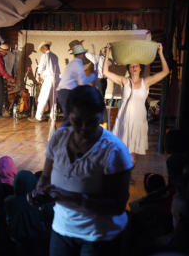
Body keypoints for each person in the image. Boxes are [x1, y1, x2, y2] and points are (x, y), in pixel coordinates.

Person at [36, 85, 133, 256]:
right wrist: (38, 192)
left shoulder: (113, 150)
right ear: (68, 116)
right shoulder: (59, 138)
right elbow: (45, 176)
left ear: (100, 115)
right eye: (77, 121)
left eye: (91, 122)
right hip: (61, 230)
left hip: (99, 237)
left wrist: (68, 198)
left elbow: (117, 206)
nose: (83, 128)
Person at [103, 43, 170, 165]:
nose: (134, 68)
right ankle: (121, 170)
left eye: (136, 66)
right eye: (132, 66)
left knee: (133, 153)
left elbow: (165, 71)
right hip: (124, 118)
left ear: (140, 68)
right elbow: (105, 72)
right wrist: (108, 53)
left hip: (138, 119)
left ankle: (129, 171)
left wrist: (160, 53)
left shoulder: (146, 82)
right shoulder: (124, 81)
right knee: (122, 149)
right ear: (128, 69)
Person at [56, 43, 96, 124]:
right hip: (66, 93)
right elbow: (82, 81)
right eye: (83, 54)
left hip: (64, 92)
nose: (84, 56)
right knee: (71, 118)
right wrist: (93, 75)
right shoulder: (77, 63)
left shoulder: (73, 63)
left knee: (71, 117)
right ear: (80, 54)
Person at [33, 41, 60, 122]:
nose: (41, 50)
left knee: (43, 97)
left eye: (41, 49)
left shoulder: (45, 55)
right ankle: (53, 117)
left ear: (44, 48)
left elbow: (41, 67)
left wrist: (39, 74)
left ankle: (38, 117)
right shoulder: (55, 56)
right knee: (53, 99)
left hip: (48, 78)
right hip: (56, 78)